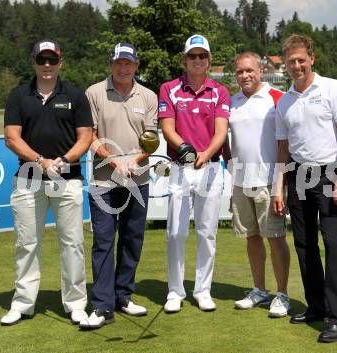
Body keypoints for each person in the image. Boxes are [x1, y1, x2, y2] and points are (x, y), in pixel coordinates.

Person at [1, 39, 93, 326]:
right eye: (42, 60)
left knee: (73, 243)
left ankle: (76, 303)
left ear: (60, 63)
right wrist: (41, 160)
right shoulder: (19, 96)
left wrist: (64, 161)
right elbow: (11, 138)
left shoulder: (76, 95)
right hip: (29, 180)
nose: (48, 65)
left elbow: (86, 136)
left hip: (68, 179)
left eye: (53, 60)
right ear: (34, 62)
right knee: (27, 243)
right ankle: (23, 303)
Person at [273, 35, 337, 343]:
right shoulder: (285, 101)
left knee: (333, 244)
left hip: (330, 173)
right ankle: (316, 306)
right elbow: (283, 149)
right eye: (291, 61)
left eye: (301, 60)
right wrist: (278, 187)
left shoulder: (333, 88)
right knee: (305, 244)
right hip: (297, 175)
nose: (296, 66)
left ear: (312, 58)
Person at [79, 42, 158, 329]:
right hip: (103, 181)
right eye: (119, 63)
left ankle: (123, 296)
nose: (123, 68)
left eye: (129, 63)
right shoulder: (94, 92)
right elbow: (91, 136)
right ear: (112, 64)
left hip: (137, 179)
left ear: (136, 65)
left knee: (131, 239)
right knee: (103, 241)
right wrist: (115, 162)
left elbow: (150, 139)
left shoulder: (148, 95)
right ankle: (101, 305)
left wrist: (135, 161)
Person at [158, 34, 230, 313]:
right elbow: (167, 128)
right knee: (176, 232)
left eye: (202, 56)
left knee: (206, 232)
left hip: (210, 168)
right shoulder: (170, 88)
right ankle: (175, 291)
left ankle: (202, 290)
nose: (197, 60)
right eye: (192, 56)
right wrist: (187, 149)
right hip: (180, 167)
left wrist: (207, 153)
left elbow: (221, 131)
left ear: (209, 60)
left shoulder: (219, 91)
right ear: (185, 60)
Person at [227, 52, 291, 317]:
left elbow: (284, 145)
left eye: (249, 70)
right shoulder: (232, 101)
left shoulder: (277, 98)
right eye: (240, 71)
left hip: (268, 182)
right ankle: (259, 290)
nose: (245, 76)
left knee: (275, 238)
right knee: (251, 238)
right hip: (241, 182)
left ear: (261, 70)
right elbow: (226, 140)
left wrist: (280, 184)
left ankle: (282, 294)